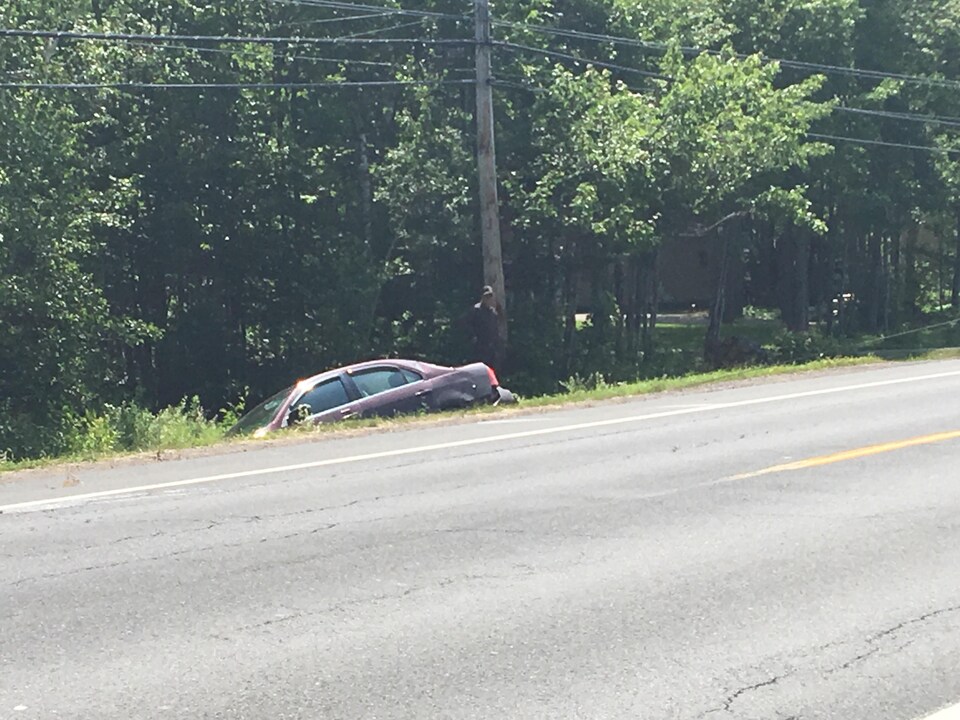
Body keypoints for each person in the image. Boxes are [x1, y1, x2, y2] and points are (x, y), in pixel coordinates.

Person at [464, 285, 503, 372]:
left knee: (492, 369)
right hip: (479, 347)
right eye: (486, 297)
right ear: (482, 297)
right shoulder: (475, 310)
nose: (489, 299)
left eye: (490, 297)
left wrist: (497, 344)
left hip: (491, 348)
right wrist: (473, 337)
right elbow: (466, 325)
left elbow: (495, 329)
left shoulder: (493, 313)